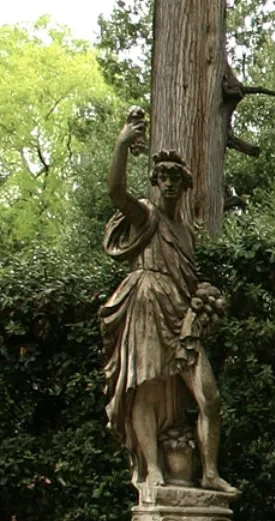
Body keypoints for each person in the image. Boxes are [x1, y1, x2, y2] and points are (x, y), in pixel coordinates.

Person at [99, 108, 235, 497]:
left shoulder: (186, 233)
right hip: (146, 304)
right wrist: (122, 145)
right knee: (144, 387)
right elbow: (116, 192)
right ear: (156, 182)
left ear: (185, 185)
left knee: (210, 397)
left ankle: (210, 474)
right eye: (163, 177)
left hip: (180, 315)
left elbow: (186, 279)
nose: (170, 184)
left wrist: (204, 299)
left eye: (177, 178)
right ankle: (154, 470)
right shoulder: (146, 215)